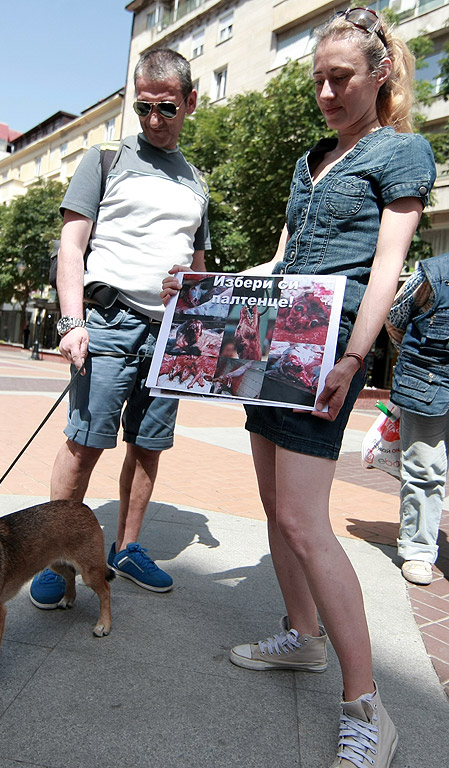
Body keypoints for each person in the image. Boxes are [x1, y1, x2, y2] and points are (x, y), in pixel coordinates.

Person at [163, 9, 435, 768]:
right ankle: (301, 637)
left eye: (339, 78)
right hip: (270, 343)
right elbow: (279, 262)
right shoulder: (308, 159)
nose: (324, 92)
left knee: (303, 519)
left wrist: (354, 357)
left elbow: (386, 266)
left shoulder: (402, 152)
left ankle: (365, 706)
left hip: (325, 351)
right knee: (275, 512)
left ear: (380, 76)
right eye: (316, 79)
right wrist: (203, 290)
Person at [29, 48, 210, 608]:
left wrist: (198, 320)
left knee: (149, 446)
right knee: (84, 443)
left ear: (190, 103)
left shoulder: (198, 182)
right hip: (107, 323)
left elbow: (200, 267)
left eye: (168, 108)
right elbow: (71, 247)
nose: (155, 119)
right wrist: (71, 321)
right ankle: (57, 559)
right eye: (144, 107)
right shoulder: (104, 159)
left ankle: (127, 547)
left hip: (170, 332)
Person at [386, 252, 449, 586]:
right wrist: (416, 363)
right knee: (425, 468)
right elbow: (396, 318)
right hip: (428, 383)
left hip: (426, 379)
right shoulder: (433, 272)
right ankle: (418, 549)